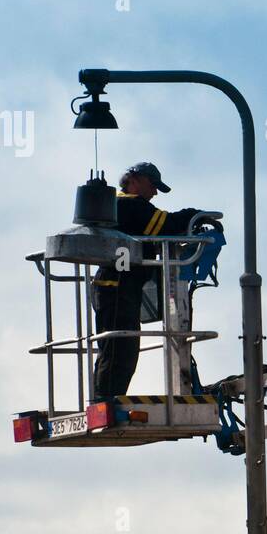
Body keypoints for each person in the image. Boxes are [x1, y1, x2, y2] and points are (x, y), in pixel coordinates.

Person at [91, 162, 210, 398]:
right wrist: (196, 215)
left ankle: (102, 399)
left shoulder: (118, 206)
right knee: (121, 350)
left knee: (113, 347)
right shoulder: (129, 205)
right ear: (134, 179)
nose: (154, 192)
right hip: (118, 288)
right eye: (152, 185)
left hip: (113, 286)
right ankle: (106, 402)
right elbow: (167, 224)